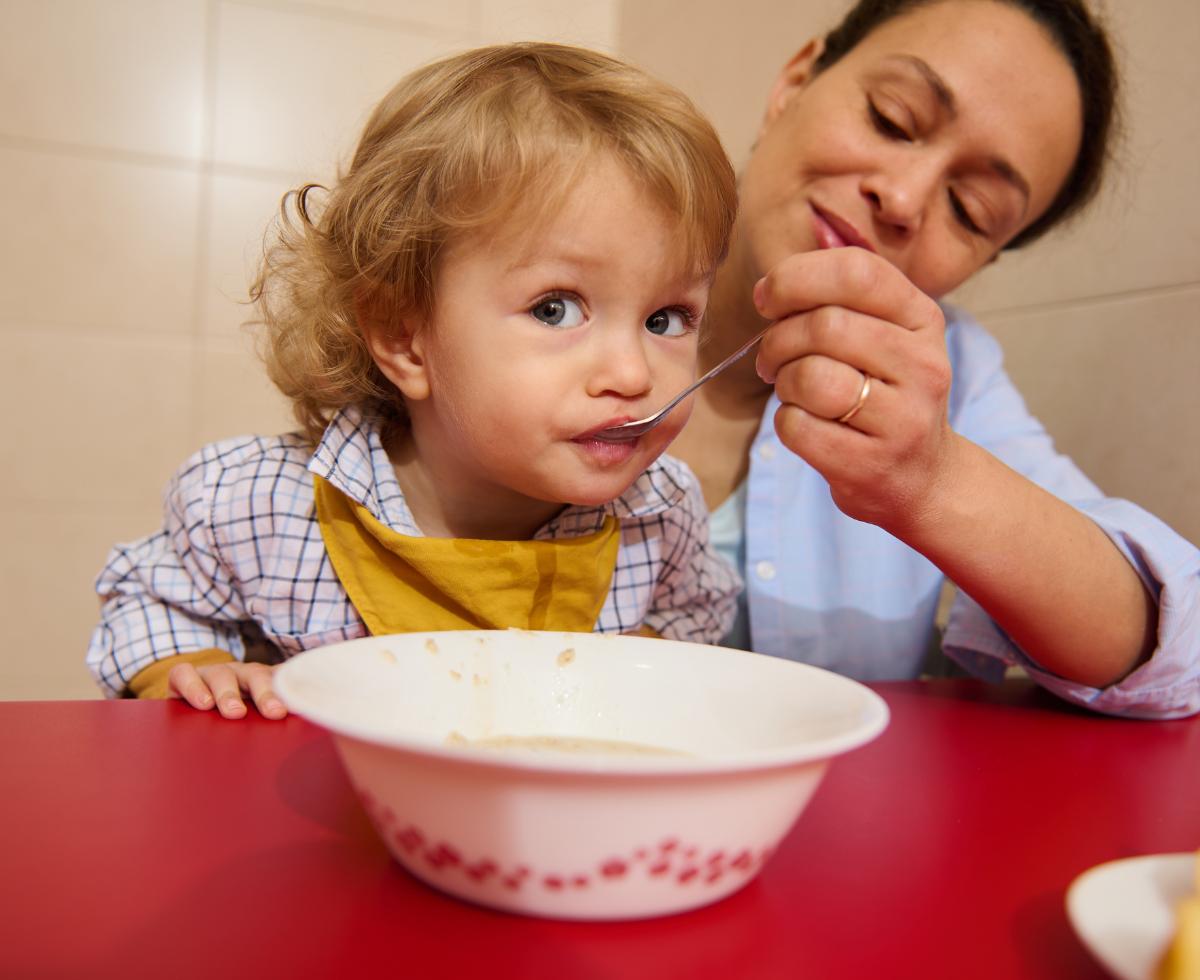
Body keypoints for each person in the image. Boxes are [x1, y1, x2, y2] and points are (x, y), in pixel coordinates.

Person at [85, 42, 740, 718]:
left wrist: (650, 657)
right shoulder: (262, 505)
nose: (633, 373)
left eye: (666, 319)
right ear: (406, 338)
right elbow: (151, 599)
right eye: (556, 309)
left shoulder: (660, 515)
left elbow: (694, 613)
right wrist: (198, 670)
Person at [666, 0, 1199, 719]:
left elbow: (1178, 642)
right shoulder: (562, 249)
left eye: (972, 209)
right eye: (892, 118)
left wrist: (933, 483)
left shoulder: (956, 375)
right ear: (795, 82)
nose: (904, 198)